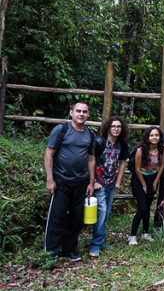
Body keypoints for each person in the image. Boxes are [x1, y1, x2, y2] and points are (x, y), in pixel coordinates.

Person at [44, 101, 96, 261]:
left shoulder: (90, 134)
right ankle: (51, 251)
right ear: (71, 112)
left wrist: (91, 182)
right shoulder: (62, 129)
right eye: (78, 111)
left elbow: (91, 159)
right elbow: (49, 153)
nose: (81, 114)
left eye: (84, 112)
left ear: (88, 114)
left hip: (81, 182)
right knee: (57, 216)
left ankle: (69, 250)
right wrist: (50, 179)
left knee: (77, 218)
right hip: (61, 181)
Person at [89, 116, 129, 257]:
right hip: (99, 184)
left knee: (105, 215)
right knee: (101, 213)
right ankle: (95, 245)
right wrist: (93, 181)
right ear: (108, 128)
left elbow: (122, 163)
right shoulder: (99, 142)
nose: (116, 129)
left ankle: (101, 240)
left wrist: (118, 181)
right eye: (113, 126)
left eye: (119, 126)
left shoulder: (122, 144)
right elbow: (90, 160)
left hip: (111, 183)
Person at [130, 126, 164, 245]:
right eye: (152, 135)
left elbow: (162, 166)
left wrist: (156, 181)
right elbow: (137, 169)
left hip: (153, 178)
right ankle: (132, 235)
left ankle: (145, 233)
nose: (154, 137)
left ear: (160, 137)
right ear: (148, 137)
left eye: (156, 135)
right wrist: (144, 184)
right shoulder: (141, 150)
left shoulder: (162, 149)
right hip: (139, 179)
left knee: (148, 206)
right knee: (142, 207)